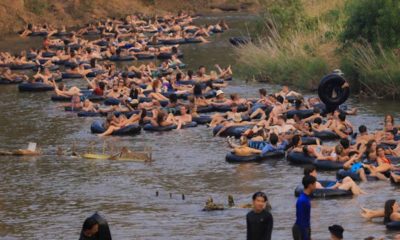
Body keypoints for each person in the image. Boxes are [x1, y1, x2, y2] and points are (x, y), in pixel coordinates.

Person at [292, 175, 316, 240]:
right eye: (314, 184)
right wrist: (306, 235)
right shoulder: (302, 200)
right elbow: (301, 220)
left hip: (305, 228)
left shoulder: (306, 198)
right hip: (300, 229)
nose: (316, 186)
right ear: (310, 185)